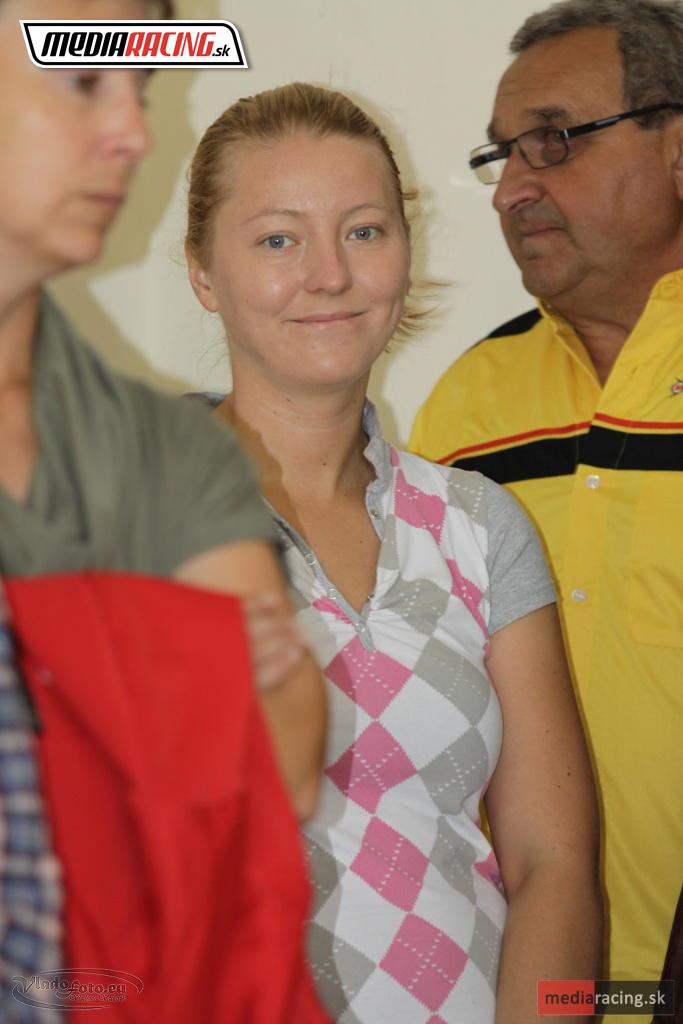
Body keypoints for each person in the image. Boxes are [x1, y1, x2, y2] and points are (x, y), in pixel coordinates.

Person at [185, 80, 602, 1024]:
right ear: (204, 274)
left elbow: (554, 864)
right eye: (278, 240)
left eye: (364, 231)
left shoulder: (478, 524)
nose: (329, 274)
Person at [0, 2, 327, 1021]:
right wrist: (164, 661)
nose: (135, 133)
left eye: (141, 89)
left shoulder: (168, 448)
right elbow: (224, 706)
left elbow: (280, 764)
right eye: (82, 79)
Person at [410, 0, 683, 1009]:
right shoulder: (464, 410)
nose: (510, 189)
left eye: (553, 140)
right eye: (501, 154)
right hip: (520, 984)